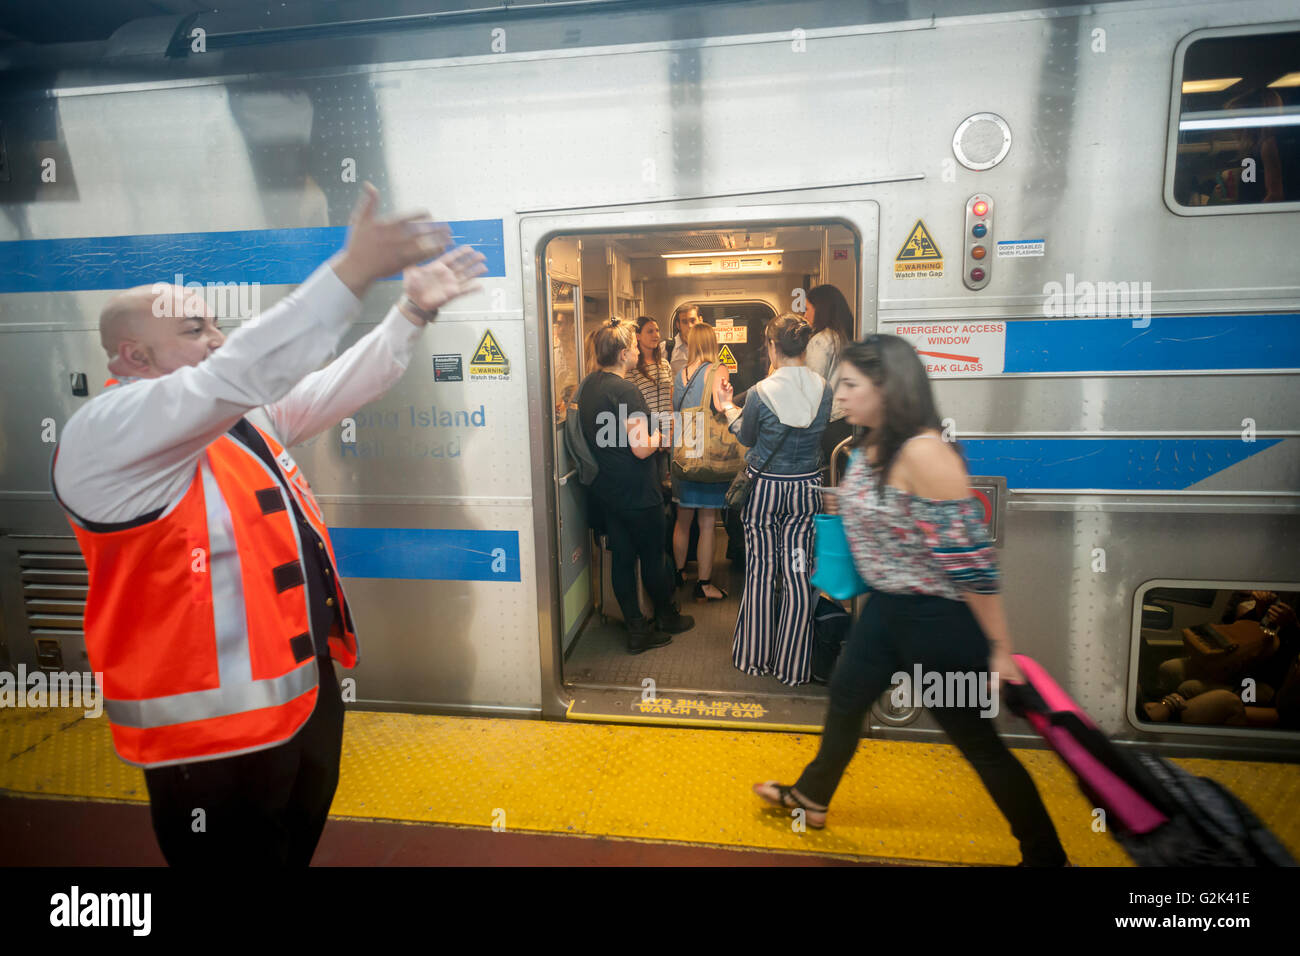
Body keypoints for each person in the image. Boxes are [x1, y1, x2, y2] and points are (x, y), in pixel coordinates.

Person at [49, 183, 487, 866]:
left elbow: (328, 388)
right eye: (195, 331)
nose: (217, 340)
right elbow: (237, 370)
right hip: (210, 744)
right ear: (133, 358)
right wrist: (348, 274)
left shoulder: (235, 424)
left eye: (216, 325)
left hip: (300, 707)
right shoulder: (104, 436)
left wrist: (410, 311)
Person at [751, 334, 1069, 867]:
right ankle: (813, 796)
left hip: (935, 621)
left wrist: (999, 650)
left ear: (887, 387)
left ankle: (1046, 856)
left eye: (850, 384)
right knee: (847, 701)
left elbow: (973, 563)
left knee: (979, 746)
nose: (839, 394)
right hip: (885, 612)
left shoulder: (925, 452)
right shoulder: (872, 445)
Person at [714, 313, 831, 685]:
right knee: (798, 573)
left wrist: (727, 407)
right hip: (806, 490)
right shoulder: (824, 388)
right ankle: (793, 666)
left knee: (763, 570)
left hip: (765, 491)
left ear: (772, 347)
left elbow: (747, 438)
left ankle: (754, 658)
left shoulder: (763, 391)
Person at [578, 319, 695, 652]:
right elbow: (641, 446)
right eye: (631, 346)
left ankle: (636, 630)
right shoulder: (625, 390)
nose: (634, 351)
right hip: (638, 489)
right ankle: (666, 617)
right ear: (623, 353)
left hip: (607, 489)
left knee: (623, 559)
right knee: (654, 556)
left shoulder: (588, 387)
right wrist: (662, 436)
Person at [671, 322, 731, 602]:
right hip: (708, 450)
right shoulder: (717, 369)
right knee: (707, 522)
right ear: (713, 343)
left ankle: (678, 573)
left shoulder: (680, 374)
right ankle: (704, 584)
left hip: (684, 449)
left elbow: (676, 408)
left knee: (683, 520)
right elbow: (721, 406)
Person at [803, 285, 854, 482]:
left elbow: (813, 387)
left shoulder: (820, 341)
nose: (805, 315)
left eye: (808, 309)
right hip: (848, 419)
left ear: (821, 308)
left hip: (830, 421)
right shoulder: (846, 337)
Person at [627, 315, 674, 489]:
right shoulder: (632, 369)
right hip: (645, 435)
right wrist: (653, 436)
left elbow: (670, 401)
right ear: (637, 336)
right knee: (646, 486)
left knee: (662, 485)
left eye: (657, 330)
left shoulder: (664, 365)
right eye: (650, 331)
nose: (656, 335)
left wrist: (669, 432)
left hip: (664, 436)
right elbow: (633, 407)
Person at [667, 303, 700, 385]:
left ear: (700, 320)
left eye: (693, 321)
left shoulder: (706, 347)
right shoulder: (667, 348)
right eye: (685, 322)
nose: (689, 326)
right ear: (678, 325)